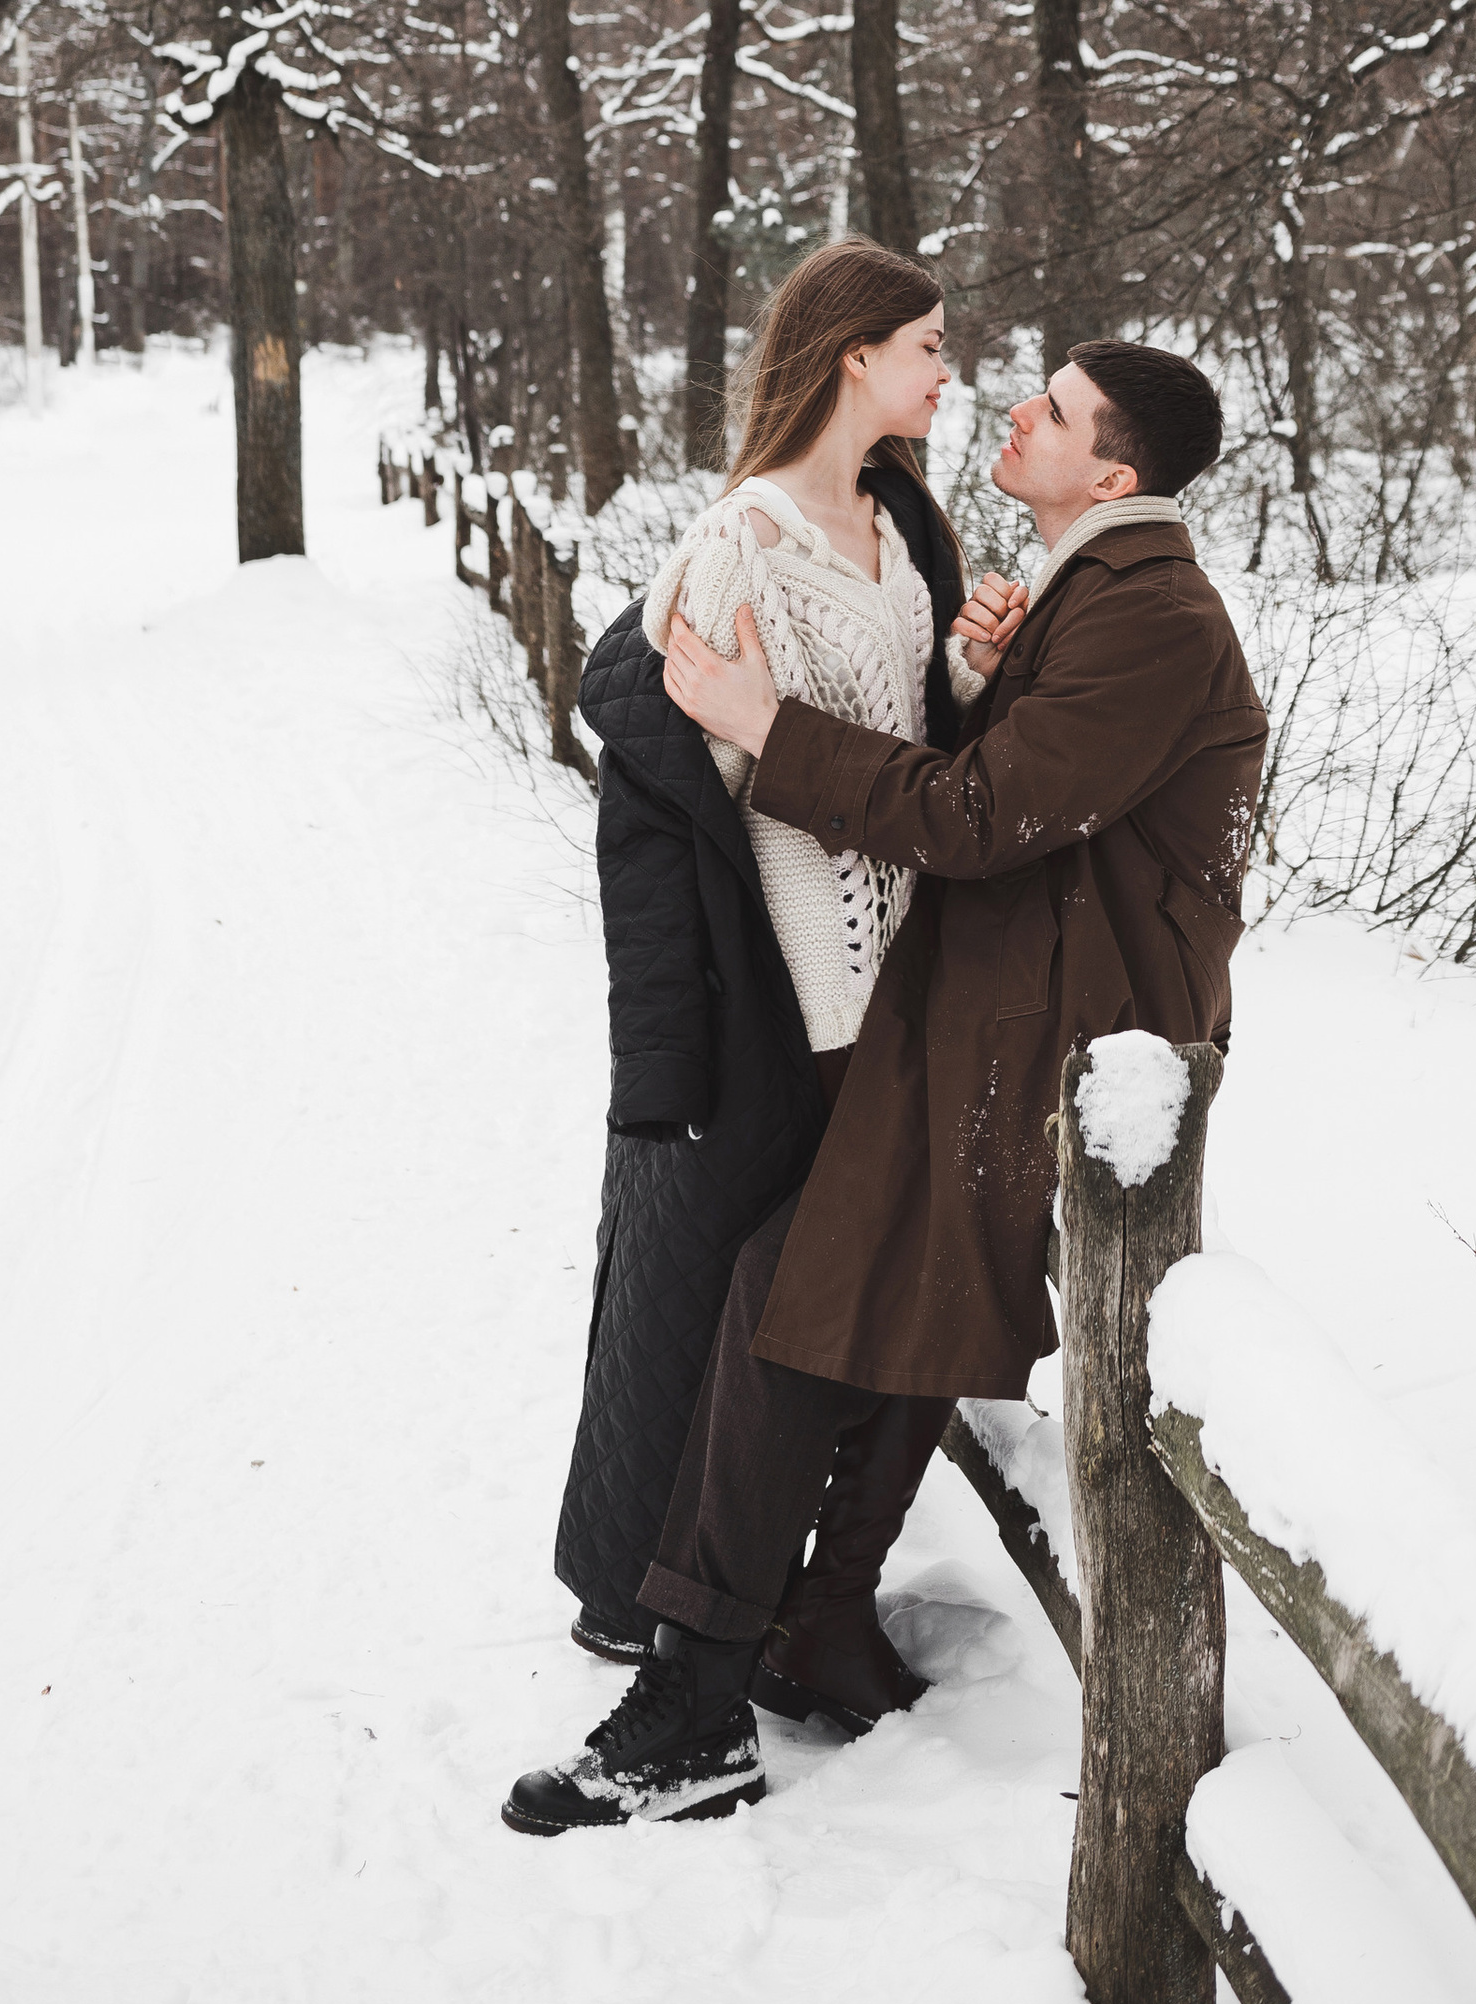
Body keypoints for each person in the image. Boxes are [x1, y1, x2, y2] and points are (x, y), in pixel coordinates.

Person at [503, 334, 1266, 1835]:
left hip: (1064, 1045)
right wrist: (981, 671)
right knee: (849, 1301)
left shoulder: (1152, 614)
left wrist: (762, 727)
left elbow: (987, 817)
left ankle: (697, 1699)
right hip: (996, 1012)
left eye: (1051, 409)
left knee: (800, 1301)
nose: (1016, 411)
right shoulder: (1091, 591)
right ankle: (807, 1623)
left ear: (1110, 471)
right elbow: (1033, 788)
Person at [537, 244, 1026, 1742]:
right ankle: (718, 1621)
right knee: (798, 1313)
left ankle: (789, 1610)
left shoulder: (902, 518)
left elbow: (911, 738)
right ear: (850, 354)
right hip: (811, 998)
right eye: (929, 345)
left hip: (912, 991)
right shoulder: (742, 539)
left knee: (868, 1309)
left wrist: (963, 664)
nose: (951, 372)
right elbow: (697, 778)